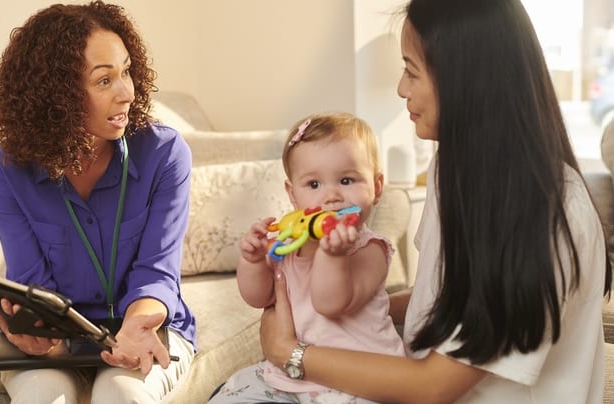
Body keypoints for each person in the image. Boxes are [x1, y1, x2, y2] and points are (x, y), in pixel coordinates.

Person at [257, 0, 613, 403]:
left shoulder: (545, 212)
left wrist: (291, 351)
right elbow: (443, 297)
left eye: (411, 71)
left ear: (465, 80)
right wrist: (346, 310)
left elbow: (433, 386)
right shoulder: (457, 165)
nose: (400, 88)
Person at [0, 1, 195, 403]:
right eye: (104, 81)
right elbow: (33, 284)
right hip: (56, 338)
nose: (127, 93)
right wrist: (42, 339)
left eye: (127, 71)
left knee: (121, 394)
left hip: (148, 326)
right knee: (45, 394)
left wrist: (136, 329)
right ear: (56, 97)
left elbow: (157, 271)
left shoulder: (165, 154)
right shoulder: (5, 171)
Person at [209, 113, 405, 404]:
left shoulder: (370, 249)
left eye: (347, 180)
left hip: (359, 380)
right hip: (289, 377)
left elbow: (330, 304)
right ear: (292, 194)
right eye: (314, 185)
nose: (331, 197)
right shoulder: (287, 244)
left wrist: (331, 254)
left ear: (376, 187)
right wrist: (253, 260)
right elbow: (258, 297)